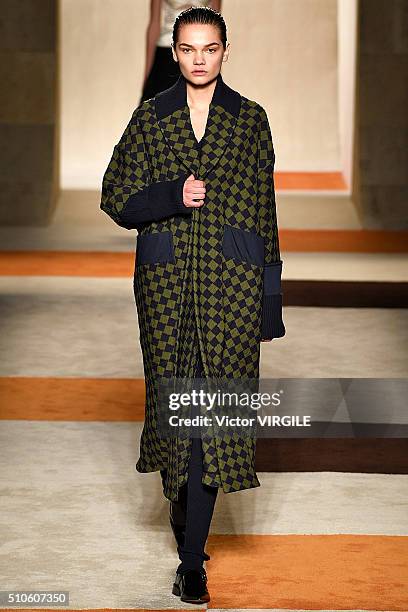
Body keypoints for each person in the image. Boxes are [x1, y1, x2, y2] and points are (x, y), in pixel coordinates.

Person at [100, 6, 286, 604]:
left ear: (225, 51)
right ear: (174, 52)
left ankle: (190, 562)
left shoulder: (251, 122)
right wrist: (171, 196)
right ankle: (187, 524)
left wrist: (269, 298)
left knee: (212, 419)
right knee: (176, 412)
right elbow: (115, 196)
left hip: (231, 286)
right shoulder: (151, 119)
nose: (199, 57)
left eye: (210, 47)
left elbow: (266, 214)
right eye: (188, 48)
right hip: (166, 285)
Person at [139, 0, 222, 103]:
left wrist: (216, 69)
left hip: (200, 52)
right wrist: (147, 75)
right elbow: (154, 24)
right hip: (166, 54)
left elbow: (217, 27)